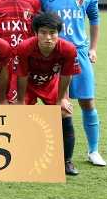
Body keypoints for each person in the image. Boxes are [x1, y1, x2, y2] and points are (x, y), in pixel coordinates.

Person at [36, 0, 105, 167]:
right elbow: (38, 27)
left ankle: (93, 151)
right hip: (54, 57)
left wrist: (93, 49)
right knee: (59, 105)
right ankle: (59, 153)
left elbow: (94, 19)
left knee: (87, 102)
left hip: (80, 53)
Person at [14, 12, 81, 175]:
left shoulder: (68, 48)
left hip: (50, 83)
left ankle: (66, 161)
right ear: (36, 33)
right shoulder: (24, 47)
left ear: (59, 33)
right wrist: (20, 100)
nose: (48, 37)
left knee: (65, 112)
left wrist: (60, 100)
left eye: (52, 33)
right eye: (43, 32)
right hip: (28, 84)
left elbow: (66, 76)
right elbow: (21, 75)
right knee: (16, 112)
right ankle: (19, 157)